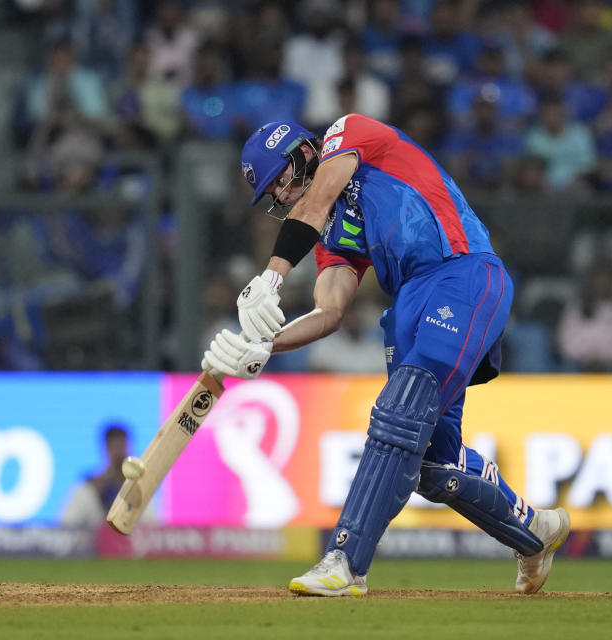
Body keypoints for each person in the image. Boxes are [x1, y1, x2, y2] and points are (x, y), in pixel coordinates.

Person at [201, 114, 570, 596]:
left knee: (400, 412)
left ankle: (345, 559)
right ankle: (534, 532)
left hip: (463, 272)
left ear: (304, 153)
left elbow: (316, 199)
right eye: (273, 195)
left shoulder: (347, 133)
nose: (281, 198)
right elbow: (329, 311)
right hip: (412, 302)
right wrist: (264, 347)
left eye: (280, 182)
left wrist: (271, 275)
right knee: (431, 465)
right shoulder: (334, 231)